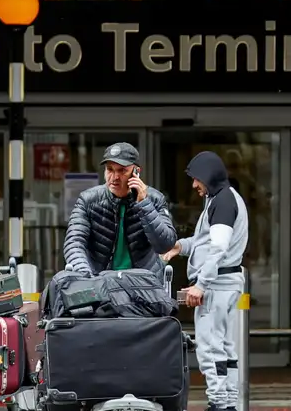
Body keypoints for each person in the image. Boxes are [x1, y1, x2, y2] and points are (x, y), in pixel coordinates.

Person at [162, 151, 248, 411]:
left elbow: (218, 248)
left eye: (196, 179)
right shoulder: (225, 199)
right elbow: (206, 242)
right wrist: (180, 246)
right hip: (227, 283)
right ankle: (228, 403)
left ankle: (219, 404)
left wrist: (201, 284)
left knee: (210, 350)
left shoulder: (221, 202)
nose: (194, 185)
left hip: (217, 286)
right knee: (226, 349)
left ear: (209, 177)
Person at [64, 142, 177, 278]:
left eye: (122, 170)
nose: (115, 177)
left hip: (143, 285)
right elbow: (74, 242)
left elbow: (165, 245)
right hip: (101, 282)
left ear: (136, 172)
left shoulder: (155, 199)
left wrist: (144, 203)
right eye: (110, 169)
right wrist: (85, 275)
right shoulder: (88, 200)